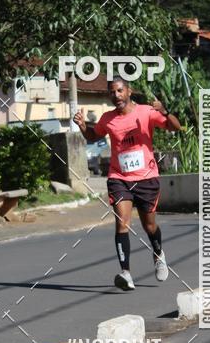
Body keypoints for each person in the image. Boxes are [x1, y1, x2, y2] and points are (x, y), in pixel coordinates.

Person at [74, 76, 182, 291]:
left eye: (120, 90)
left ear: (129, 91)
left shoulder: (146, 112)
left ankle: (158, 254)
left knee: (149, 225)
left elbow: (175, 127)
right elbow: (93, 136)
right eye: (112, 92)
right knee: (122, 223)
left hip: (146, 178)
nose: (116, 95)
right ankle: (126, 273)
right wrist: (83, 126)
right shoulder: (107, 118)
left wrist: (164, 111)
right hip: (119, 178)